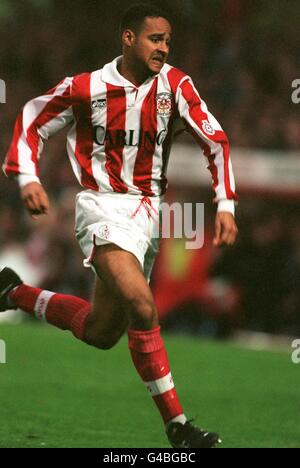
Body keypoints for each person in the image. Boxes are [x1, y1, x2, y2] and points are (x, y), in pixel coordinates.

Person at [0, 3, 238, 448]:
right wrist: (27, 177)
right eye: (155, 39)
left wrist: (225, 203)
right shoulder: (86, 87)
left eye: (167, 40)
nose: (164, 48)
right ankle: (178, 426)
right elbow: (32, 118)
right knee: (143, 307)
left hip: (149, 215)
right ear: (128, 38)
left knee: (101, 332)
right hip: (102, 208)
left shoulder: (177, 87)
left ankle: (13, 292)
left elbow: (216, 141)